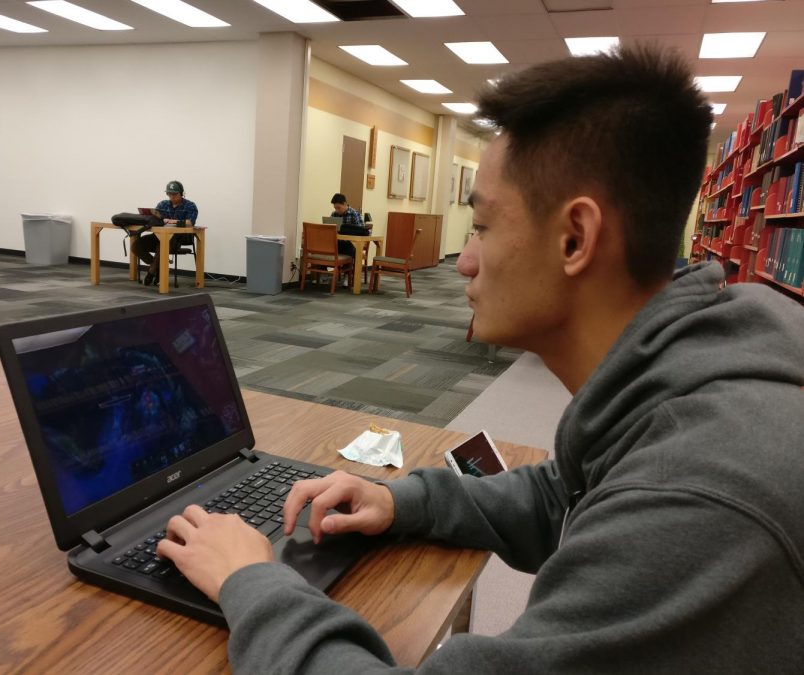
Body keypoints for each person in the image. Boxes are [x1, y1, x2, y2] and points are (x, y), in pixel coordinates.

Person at [156, 46, 804, 672]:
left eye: (483, 227)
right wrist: (401, 500)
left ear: (575, 238)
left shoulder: (698, 496)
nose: (464, 260)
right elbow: (566, 496)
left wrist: (252, 579)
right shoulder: (685, 376)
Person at [132, 180, 198, 286]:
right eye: (169, 194)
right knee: (136, 246)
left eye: (174, 194)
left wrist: (174, 221)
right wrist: (159, 219)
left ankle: (151, 272)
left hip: (177, 238)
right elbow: (154, 218)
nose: (171, 196)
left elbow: (190, 222)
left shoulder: (190, 205)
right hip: (158, 235)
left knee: (162, 245)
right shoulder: (163, 204)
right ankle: (159, 268)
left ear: (181, 193)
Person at [330, 193, 364, 258]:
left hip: (351, 244)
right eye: (335, 208)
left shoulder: (354, 214)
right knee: (323, 247)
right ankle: (321, 267)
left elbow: (361, 230)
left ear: (345, 204)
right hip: (338, 243)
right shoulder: (334, 214)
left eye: (338, 208)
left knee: (352, 249)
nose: (337, 210)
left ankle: (349, 266)